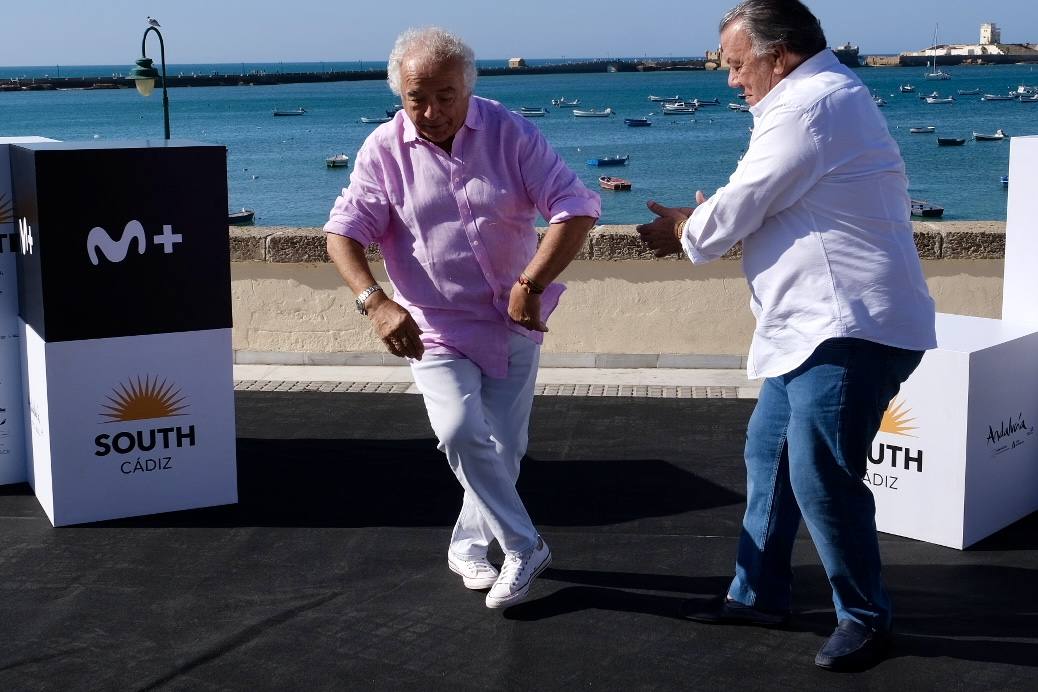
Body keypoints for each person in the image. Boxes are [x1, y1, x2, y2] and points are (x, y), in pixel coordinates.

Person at [636, 0, 936, 672]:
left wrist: (685, 228)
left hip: (849, 326)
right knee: (768, 456)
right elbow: (765, 199)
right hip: (811, 328)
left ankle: (864, 617)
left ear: (780, 55)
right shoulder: (814, 101)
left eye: (738, 64)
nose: (730, 78)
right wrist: (702, 221)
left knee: (821, 476)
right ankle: (757, 595)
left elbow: (740, 204)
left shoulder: (811, 104)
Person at [324, 27, 599, 609]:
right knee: (457, 432)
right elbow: (343, 231)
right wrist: (375, 302)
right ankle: (525, 546)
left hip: (514, 315)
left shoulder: (511, 132)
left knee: (505, 447)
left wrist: (532, 282)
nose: (431, 111)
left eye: (445, 96)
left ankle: (468, 544)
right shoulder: (383, 149)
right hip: (435, 324)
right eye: (416, 98)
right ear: (399, 94)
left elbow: (575, 206)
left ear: (468, 88)